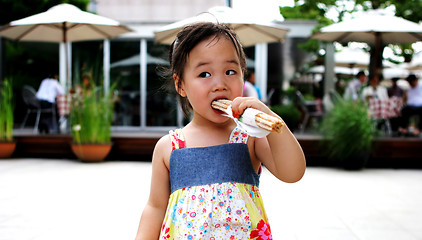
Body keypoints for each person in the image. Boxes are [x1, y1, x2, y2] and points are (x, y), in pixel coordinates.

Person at [135, 22, 306, 239]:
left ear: (243, 76)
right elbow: (155, 207)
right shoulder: (169, 147)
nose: (220, 84)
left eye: (230, 71)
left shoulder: (249, 137)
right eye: (204, 74)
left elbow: (293, 172)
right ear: (181, 85)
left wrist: (270, 121)